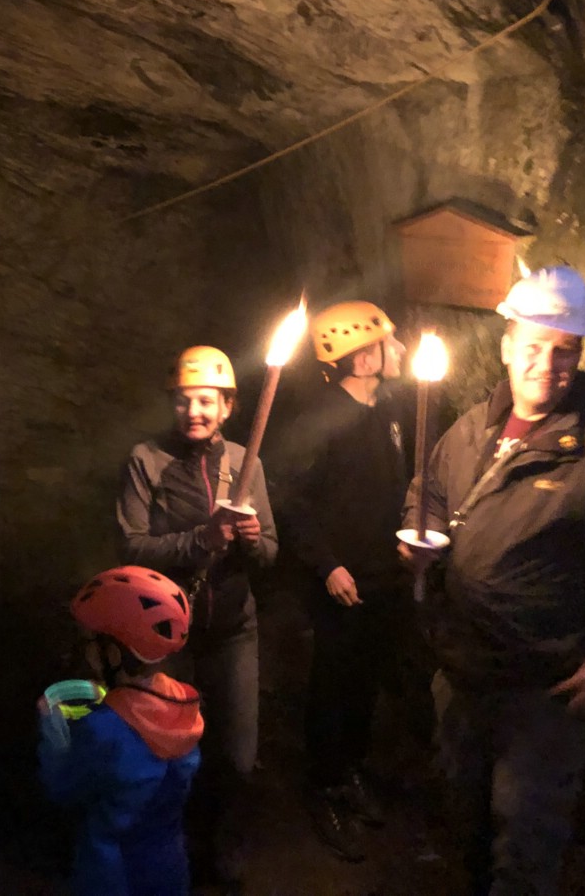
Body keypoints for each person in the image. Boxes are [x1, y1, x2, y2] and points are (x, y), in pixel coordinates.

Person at [398, 265, 585, 896]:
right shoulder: (473, 427)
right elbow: (430, 491)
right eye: (533, 346)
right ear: (506, 345)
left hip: (543, 692)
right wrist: (419, 536)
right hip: (463, 672)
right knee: (464, 823)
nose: (547, 366)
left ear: (580, 355)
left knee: (524, 850)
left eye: (565, 350)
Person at [116, 345, 278, 894]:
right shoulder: (146, 460)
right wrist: (200, 540)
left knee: (237, 755)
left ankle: (223, 845)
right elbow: (132, 547)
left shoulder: (247, 462)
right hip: (167, 632)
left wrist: (252, 540)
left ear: (227, 406)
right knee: (168, 748)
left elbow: (270, 553)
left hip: (233, 629)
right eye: (184, 400)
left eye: (206, 401)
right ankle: (170, 847)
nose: (194, 411)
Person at [288, 300, 416, 861]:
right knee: (334, 684)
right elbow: (293, 501)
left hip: (384, 576)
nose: (400, 349)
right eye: (390, 342)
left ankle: (351, 770)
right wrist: (328, 566)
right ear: (363, 359)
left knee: (365, 681)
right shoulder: (322, 420)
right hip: (341, 581)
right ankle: (324, 786)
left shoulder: (387, 410)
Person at [38, 565, 204, 895]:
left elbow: (63, 788)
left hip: (112, 873)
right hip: (169, 864)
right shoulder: (186, 704)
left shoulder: (102, 729)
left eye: (91, 642)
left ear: (113, 652)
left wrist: (51, 728)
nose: (86, 650)